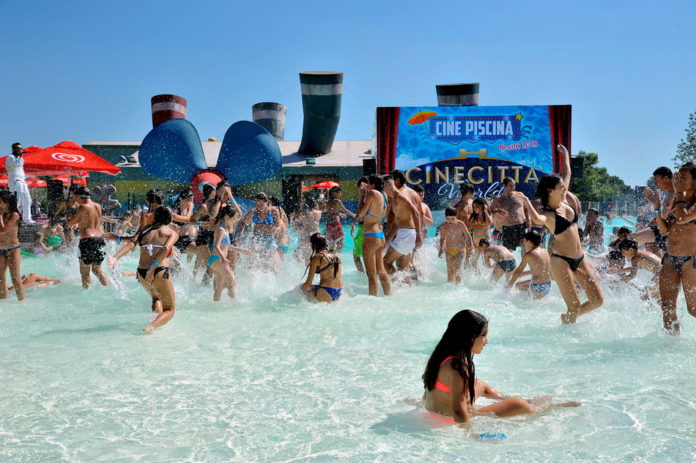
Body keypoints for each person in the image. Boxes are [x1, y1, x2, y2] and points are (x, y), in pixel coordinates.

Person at [422, 310, 578, 423]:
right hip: (451, 415)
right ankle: (545, 408)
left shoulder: (441, 355)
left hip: (436, 408)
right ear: (469, 337)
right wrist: (471, 434)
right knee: (518, 404)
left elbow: (430, 390)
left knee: (480, 384)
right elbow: (458, 410)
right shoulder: (458, 367)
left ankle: (512, 398)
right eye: (483, 335)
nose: (486, 341)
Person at [521, 173, 604, 324]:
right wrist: (526, 201)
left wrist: (565, 159)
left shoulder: (564, 201)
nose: (564, 189)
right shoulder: (548, 214)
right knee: (574, 305)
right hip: (561, 261)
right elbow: (537, 220)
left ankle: (567, 318)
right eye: (560, 187)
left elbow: (568, 173)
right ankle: (568, 329)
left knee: (597, 301)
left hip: (579, 259)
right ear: (550, 190)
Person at [109, 206, 179, 332]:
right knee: (170, 309)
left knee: (156, 298)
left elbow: (131, 244)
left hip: (141, 273)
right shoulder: (171, 233)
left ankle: (153, 319)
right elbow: (165, 248)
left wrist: (115, 257)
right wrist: (152, 269)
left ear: (156, 217)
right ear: (170, 218)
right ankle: (151, 327)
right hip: (158, 270)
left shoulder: (145, 230)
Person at [646, 163, 696, 333]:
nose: (678, 180)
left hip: (691, 261)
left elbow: (682, 218)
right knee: (667, 308)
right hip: (670, 259)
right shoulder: (678, 200)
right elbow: (664, 230)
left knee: (693, 310)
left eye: (684, 177)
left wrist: (679, 192)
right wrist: (657, 208)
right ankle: (672, 343)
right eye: (678, 177)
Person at [66, 187, 109, 289]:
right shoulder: (98, 206)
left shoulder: (83, 207)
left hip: (87, 240)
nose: (75, 199)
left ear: (80, 197)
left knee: (85, 272)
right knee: (97, 269)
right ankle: (107, 288)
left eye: (76, 197)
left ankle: (86, 293)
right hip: (99, 239)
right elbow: (93, 221)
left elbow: (70, 223)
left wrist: (68, 212)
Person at [355, 174, 391, 296]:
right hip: (380, 234)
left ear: (373, 184)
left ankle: (372, 301)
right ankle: (389, 296)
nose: (367, 186)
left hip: (371, 235)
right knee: (381, 271)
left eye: (368, 184)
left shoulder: (372, 193)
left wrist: (362, 195)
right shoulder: (384, 194)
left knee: (371, 275)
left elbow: (360, 214)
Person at [383, 175, 422, 283]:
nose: (382, 190)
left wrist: (418, 235)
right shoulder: (396, 198)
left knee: (385, 263)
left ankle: (398, 285)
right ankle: (406, 289)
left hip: (406, 234)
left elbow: (416, 213)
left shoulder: (400, 196)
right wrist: (387, 239)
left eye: (382, 186)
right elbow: (398, 222)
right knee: (403, 267)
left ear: (389, 184)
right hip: (407, 233)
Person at [208, 205, 252, 301]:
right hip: (217, 259)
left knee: (220, 285)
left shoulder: (226, 230)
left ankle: (216, 304)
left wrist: (242, 250)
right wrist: (223, 258)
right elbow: (216, 246)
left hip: (217, 260)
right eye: (234, 218)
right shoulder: (221, 230)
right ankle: (234, 303)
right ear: (227, 217)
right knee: (232, 281)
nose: (236, 221)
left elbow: (228, 246)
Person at [240, 192, 282, 271]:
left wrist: (276, 229)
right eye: (257, 204)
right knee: (254, 253)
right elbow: (244, 223)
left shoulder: (273, 211)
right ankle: (252, 273)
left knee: (273, 264)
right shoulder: (253, 212)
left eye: (261, 204)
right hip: (257, 237)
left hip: (269, 238)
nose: (259, 206)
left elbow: (279, 226)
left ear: (267, 202)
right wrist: (241, 234)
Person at [507, 231, 553, 298]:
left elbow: (518, 272)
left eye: (524, 240)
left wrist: (509, 286)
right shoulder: (545, 251)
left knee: (518, 287)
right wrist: (524, 273)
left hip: (537, 287)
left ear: (529, 241)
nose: (523, 243)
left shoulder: (529, 255)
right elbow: (541, 269)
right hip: (547, 285)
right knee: (519, 285)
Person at [299, 233, 343, 302]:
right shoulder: (337, 255)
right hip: (339, 291)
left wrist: (296, 291)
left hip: (325, 291)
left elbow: (308, 284)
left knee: (301, 291)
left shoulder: (317, 257)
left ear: (314, 245)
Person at [490, 177, 528, 252]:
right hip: (508, 228)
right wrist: (497, 211)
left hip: (521, 226)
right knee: (508, 251)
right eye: (510, 185)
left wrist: (528, 220)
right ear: (504, 186)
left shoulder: (519, 195)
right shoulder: (498, 199)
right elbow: (491, 211)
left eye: (514, 185)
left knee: (524, 246)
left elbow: (527, 208)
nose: (513, 188)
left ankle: (524, 260)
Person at [438, 207, 474, 284]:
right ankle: (450, 287)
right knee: (450, 271)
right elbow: (442, 239)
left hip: (460, 250)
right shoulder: (443, 227)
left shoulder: (460, 224)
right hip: (449, 251)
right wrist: (440, 250)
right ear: (445, 217)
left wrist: (471, 247)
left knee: (458, 269)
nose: (450, 221)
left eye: (452, 219)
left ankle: (459, 287)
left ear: (456, 216)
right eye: (448, 219)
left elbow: (468, 236)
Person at [0, 191, 24, 300]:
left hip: (13, 249)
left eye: (0, 202)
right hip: (0, 249)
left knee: (16, 278)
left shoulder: (15, 215)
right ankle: (3, 302)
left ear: (7, 203)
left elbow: (4, 229)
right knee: (0, 279)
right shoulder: (2, 215)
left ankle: (22, 302)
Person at [5, 143, 34, 224]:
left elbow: (20, 165)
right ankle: (15, 218)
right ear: (14, 149)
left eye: (21, 148)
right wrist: (21, 157)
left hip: (22, 181)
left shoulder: (19, 158)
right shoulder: (10, 157)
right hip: (15, 181)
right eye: (18, 148)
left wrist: (20, 157)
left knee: (27, 200)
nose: (20, 150)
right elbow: (15, 165)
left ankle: (27, 219)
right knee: (17, 200)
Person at [324, 186, 355, 252]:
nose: (340, 194)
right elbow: (345, 210)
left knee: (331, 243)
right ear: (334, 193)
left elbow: (331, 211)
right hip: (336, 223)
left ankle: (330, 255)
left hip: (329, 223)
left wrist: (340, 214)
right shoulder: (337, 201)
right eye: (339, 193)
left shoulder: (328, 201)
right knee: (341, 243)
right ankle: (337, 255)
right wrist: (353, 215)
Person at [292, 197, 322, 264]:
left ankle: (307, 267)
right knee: (317, 254)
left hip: (307, 235)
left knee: (305, 256)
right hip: (317, 234)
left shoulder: (304, 213)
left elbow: (295, 219)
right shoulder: (319, 212)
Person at [350, 177, 368, 273]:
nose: (361, 187)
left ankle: (362, 274)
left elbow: (360, 212)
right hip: (372, 227)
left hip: (363, 227)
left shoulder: (365, 197)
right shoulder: (376, 195)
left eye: (362, 185)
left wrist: (353, 226)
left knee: (356, 255)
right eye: (360, 186)